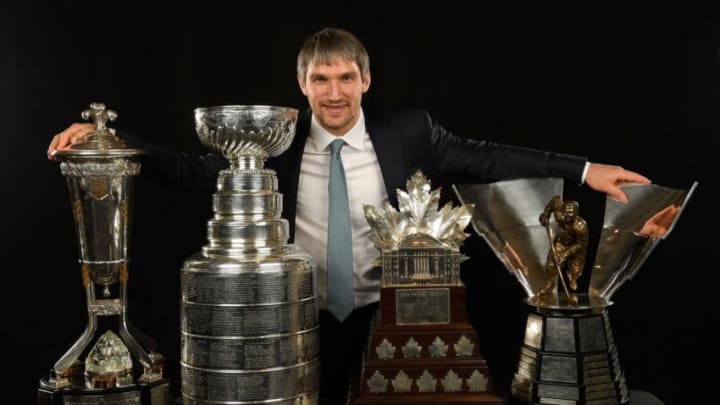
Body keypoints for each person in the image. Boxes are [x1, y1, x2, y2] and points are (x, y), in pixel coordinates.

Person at [48, 27, 651, 404]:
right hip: (299, 323)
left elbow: (488, 157)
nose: (333, 92)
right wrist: (110, 141)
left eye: (344, 78)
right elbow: (184, 169)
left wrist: (585, 170)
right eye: (319, 79)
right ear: (301, 85)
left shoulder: (409, 131)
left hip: (385, 322)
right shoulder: (273, 143)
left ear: (365, 80)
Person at [538, 196, 589, 297]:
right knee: (551, 265)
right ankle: (550, 283)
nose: (568, 218)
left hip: (577, 249)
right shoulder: (559, 213)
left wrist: (565, 255)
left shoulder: (581, 227)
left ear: (576, 214)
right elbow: (554, 200)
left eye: (571, 216)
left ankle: (572, 277)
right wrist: (545, 214)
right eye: (566, 215)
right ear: (563, 212)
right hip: (561, 243)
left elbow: (580, 244)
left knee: (576, 270)